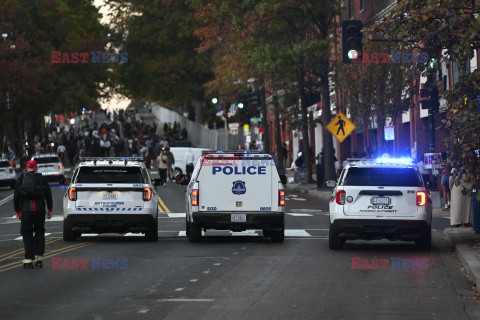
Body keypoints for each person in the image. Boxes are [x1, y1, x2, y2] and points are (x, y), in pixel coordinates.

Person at [14, 160, 53, 269]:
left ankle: (28, 259)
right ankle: (39, 258)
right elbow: (48, 194)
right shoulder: (41, 178)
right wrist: (50, 209)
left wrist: (17, 210)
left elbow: (16, 195)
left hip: (26, 210)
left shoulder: (22, 178)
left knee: (27, 233)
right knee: (40, 231)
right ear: (36, 168)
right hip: (40, 209)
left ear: (27, 168)